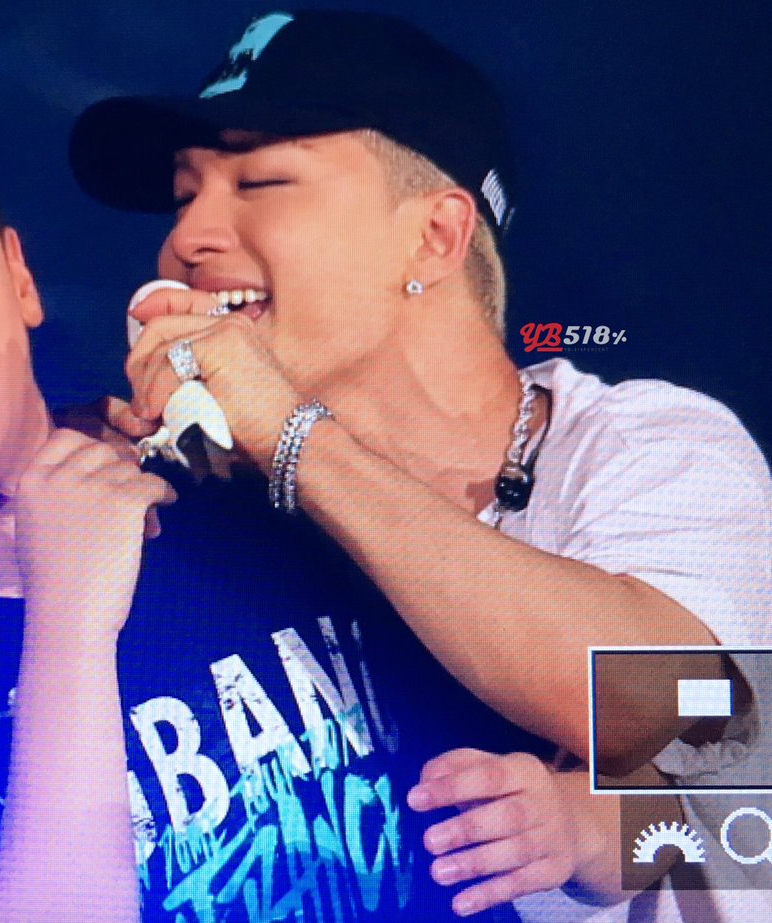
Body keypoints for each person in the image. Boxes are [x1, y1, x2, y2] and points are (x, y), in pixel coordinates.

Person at [0, 58, 617, 923]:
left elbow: (697, 750)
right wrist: (68, 620)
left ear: (18, 278)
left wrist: (577, 828)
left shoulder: (269, 500)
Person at [67, 9, 772, 921]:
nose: (188, 238)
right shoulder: (223, 513)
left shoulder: (650, 445)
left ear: (435, 236)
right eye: (182, 195)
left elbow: (640, 698)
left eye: (261, 180)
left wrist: (291, 433)